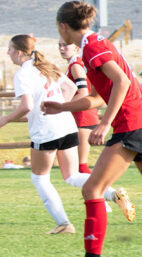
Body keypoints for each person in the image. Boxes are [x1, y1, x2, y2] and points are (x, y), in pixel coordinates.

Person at [42, 1, 140, 257]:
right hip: (135, 120)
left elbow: (121, 82)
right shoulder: (95, 43)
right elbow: (96, 97)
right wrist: (62, 107)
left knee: (93, 189)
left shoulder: (92, 47)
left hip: (131, 124)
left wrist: (105, 123)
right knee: (93, 188)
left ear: (63, 27)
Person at [0, 34, 129, 236]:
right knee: (72, 175)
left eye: (10, 49)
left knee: (40, 178)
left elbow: (27, 106)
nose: (8, 53)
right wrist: (60, 108)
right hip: (66, 125)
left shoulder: (23, 74)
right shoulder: (46, 66)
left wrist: (7, 118)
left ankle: (64, 223)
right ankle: (112, 193)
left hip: (46, 130)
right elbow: (71, 87)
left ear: (20, 52)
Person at [58, 37, 100, 174]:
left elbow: (83, 93)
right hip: (82, 115)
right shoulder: (74, 64)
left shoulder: (75, 65)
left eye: (65, 45)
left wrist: (63, 107)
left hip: (83, 117)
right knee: (78, 167)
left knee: (81, 166)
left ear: (76, 47)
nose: (61, 48)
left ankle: (112, 194)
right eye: (59, 45)